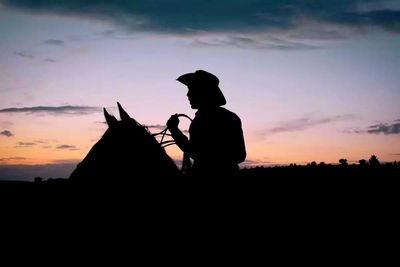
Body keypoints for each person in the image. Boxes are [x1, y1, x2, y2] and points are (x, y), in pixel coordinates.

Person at [167, 70, 246, 177]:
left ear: (203, 92)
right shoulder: (231, 117)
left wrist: (174, 130)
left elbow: (194, 151)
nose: (188, 94)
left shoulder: (201, 121)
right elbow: (240, 155)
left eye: (191, 89)